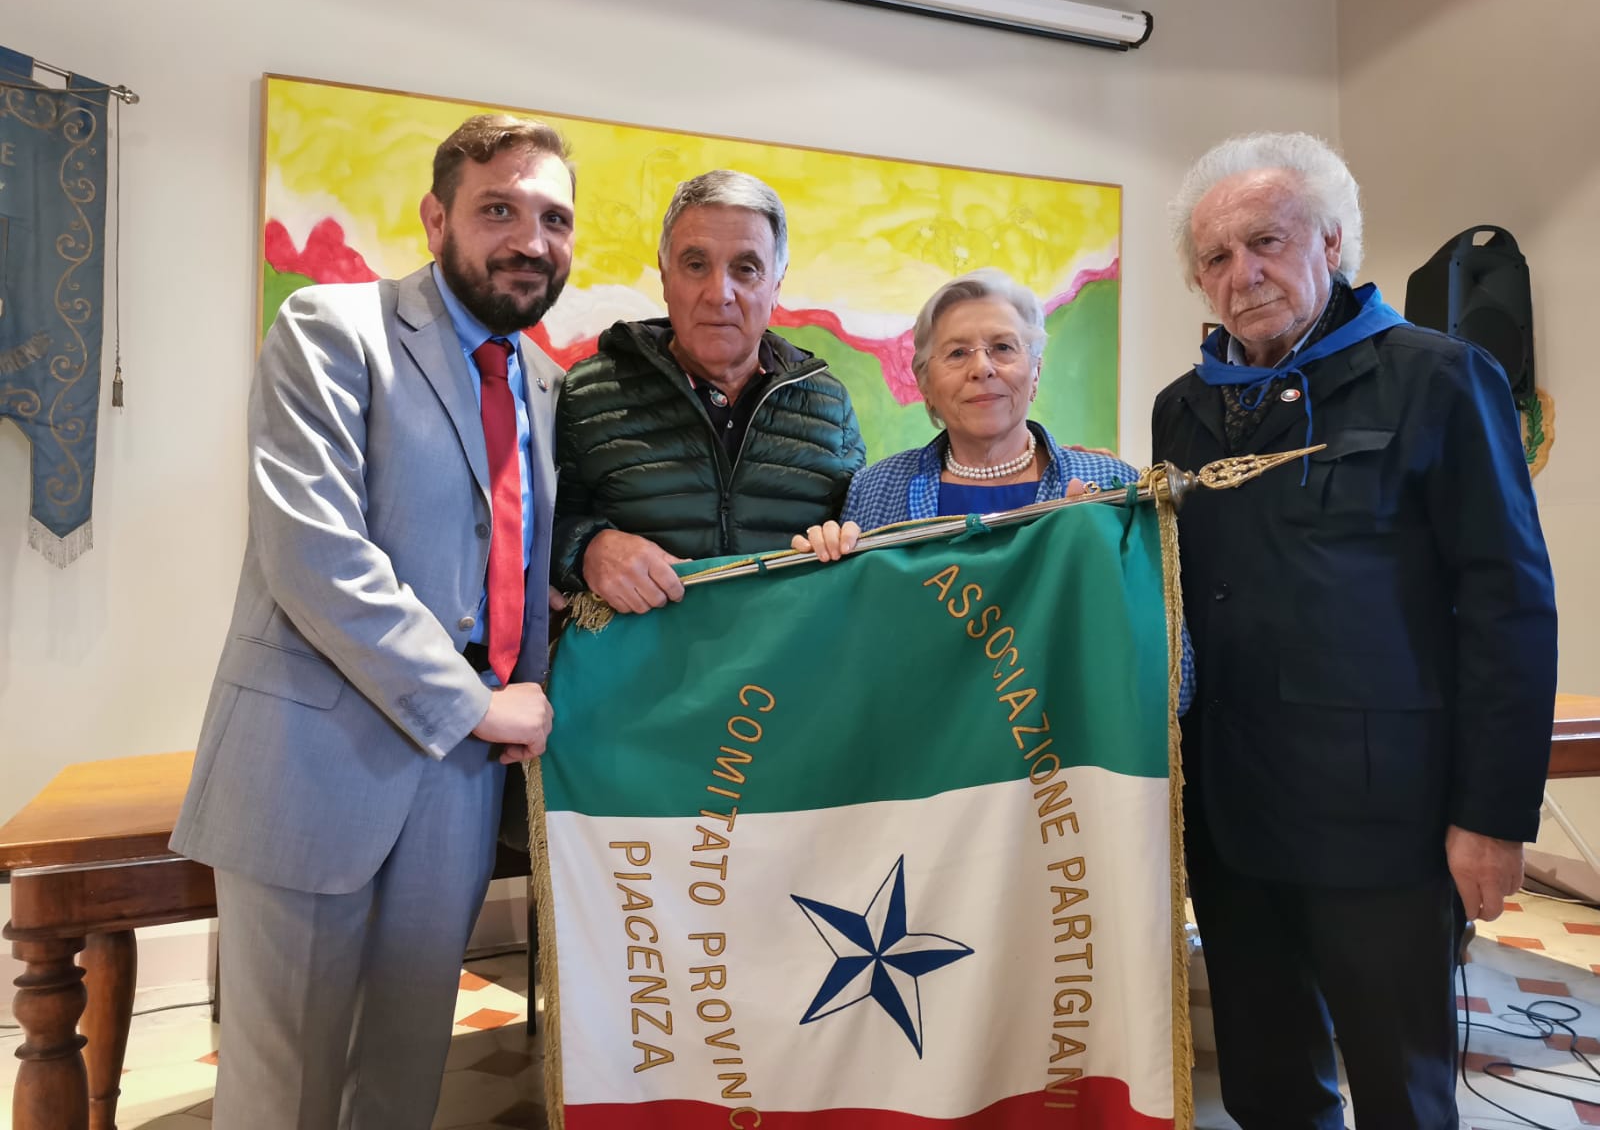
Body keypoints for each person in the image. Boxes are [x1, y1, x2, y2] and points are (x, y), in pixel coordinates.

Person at [171, 114, 574, 1129]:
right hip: (313, 767)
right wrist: (477, 703)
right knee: (285, 1094)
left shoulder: (548, 386)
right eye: (499, 210)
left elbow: (511, 560)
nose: (530, 240)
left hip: (457, 789)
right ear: (437, 219)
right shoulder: (331, 327)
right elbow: (314, 555)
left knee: (402, 1080)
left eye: (554, 219)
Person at [1152, 131, 1557, 1129]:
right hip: (1232, 816)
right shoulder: (1182, 410)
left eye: (1266, 241)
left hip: (1386, 820)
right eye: (1215, 257)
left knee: (1400, 1092)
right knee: (1266, 1087)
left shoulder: (1440, 378)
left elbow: (1507, 604)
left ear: (1330, 243)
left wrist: (1493, 815)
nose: (1242, 274)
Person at [552, 169, 865, 610]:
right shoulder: (587, 392)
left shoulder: (829, 406)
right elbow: (526, 535)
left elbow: (863, 542)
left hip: (785, 653)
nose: (719, 294)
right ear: (665, 274)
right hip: (641, 655)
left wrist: (844, 544)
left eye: (746, 269)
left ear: (776, 284)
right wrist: (586, 549)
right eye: (696, 265)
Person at [796, 267, 1136, 557]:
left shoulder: (1114, 486)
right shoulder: (874, 490)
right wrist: (823, 563)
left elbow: (1150, 609)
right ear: (925, 384)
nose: (982, 368)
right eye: (957, 353)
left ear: (1035, 372)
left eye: (1002, 347)